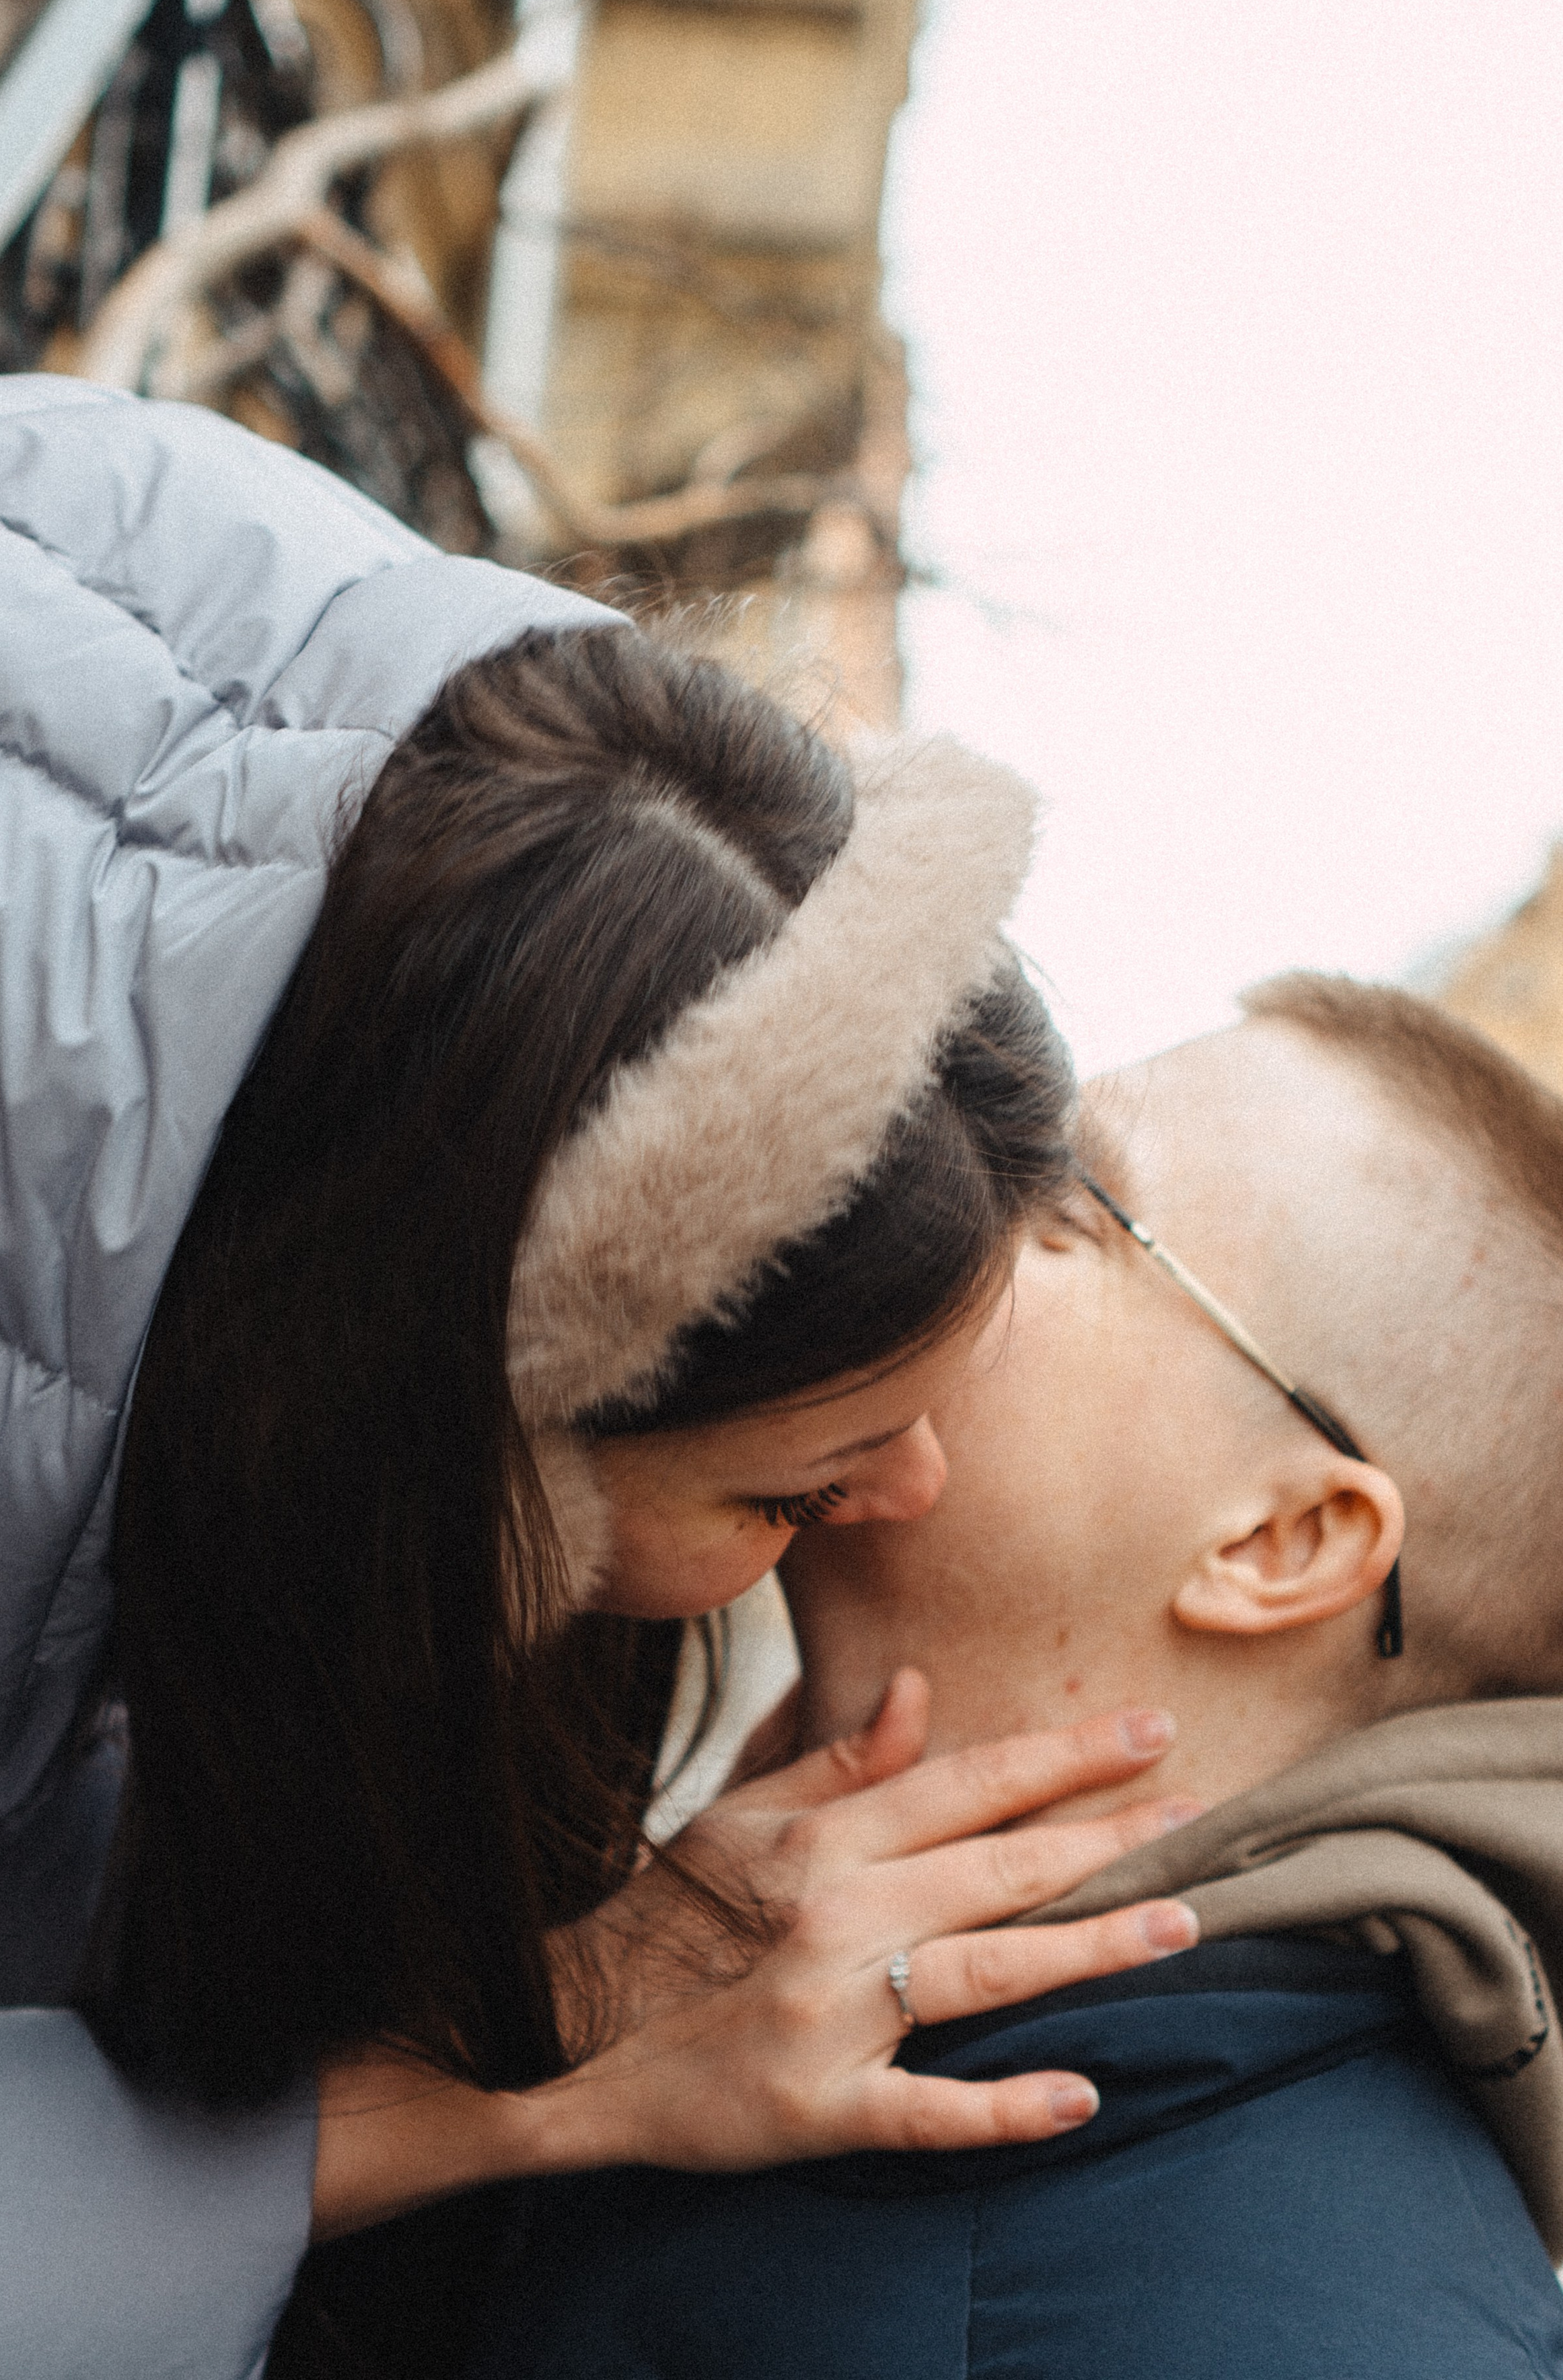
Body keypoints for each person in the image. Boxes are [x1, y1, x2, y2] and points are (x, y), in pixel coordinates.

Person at [0, 377, 1197, 2380]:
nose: (920, 1485)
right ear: (439, 1423)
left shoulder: (204, 593)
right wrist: (527, 2072)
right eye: (798, 1491)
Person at [464, 975, 1563, 2379]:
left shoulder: (1284, 2331)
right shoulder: (673, 1930)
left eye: (1077, 1201)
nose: (944, 1186)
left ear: (1281, 1542)